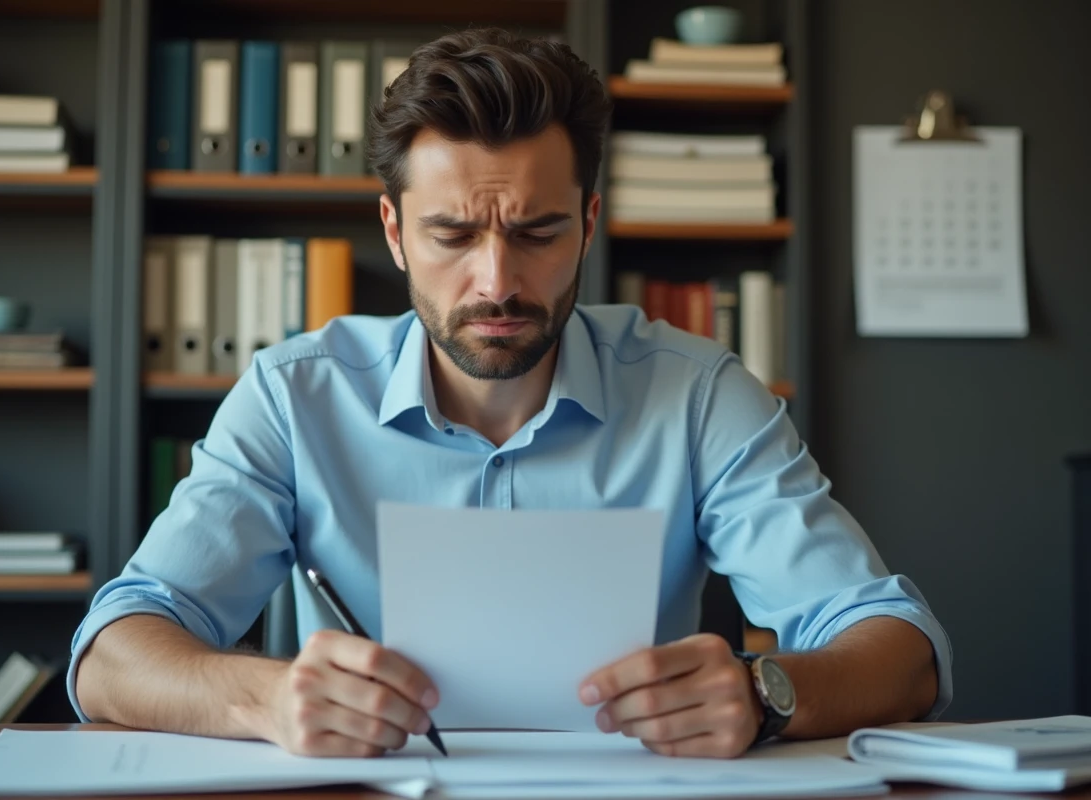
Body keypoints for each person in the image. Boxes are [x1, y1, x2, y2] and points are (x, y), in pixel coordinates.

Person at [69, 27, 952, 760]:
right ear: (396, 232)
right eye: (451, 234)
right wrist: (265, 698)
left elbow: (900, 649)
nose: (496, 282)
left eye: (537, 231)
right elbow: (112, 654)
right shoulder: (293, 397)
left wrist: (768, 694)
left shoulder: (699, 397)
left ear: (590, 225)